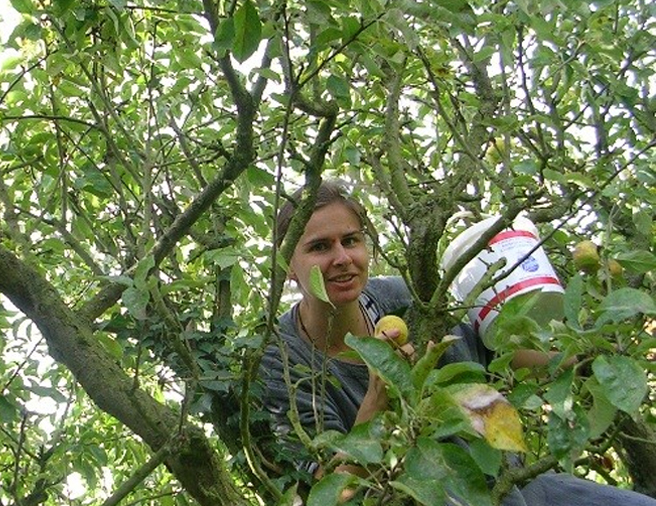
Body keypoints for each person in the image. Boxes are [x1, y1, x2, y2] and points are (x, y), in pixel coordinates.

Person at [259, 179, 656, 505]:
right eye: (319, 247)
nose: (342, 257)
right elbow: (332, 492)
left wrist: (584, 353)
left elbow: (499, 350)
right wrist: (377, 408)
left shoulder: (403, 298)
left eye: (351, 240)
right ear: (287, 264)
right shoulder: (283, 363)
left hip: (512, 484)